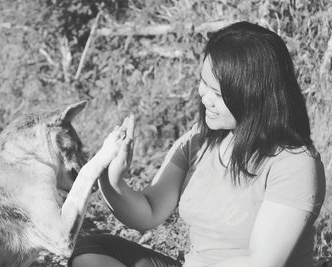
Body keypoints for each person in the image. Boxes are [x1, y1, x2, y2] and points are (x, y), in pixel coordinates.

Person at [68, 21, 326, 267]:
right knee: (90, 250)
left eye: (218, 93)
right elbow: (149, 212)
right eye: (203, 82)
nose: (204, 97)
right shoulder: (199, 140)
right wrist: (112, 176)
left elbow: (262, 262)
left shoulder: (294, 164)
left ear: (253, 96)